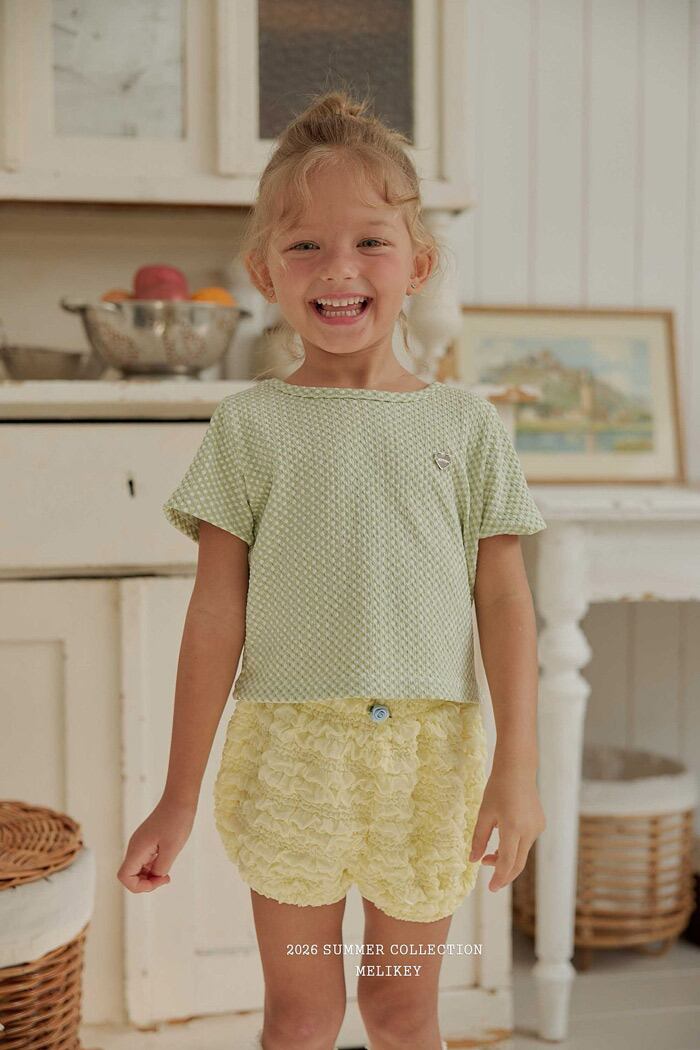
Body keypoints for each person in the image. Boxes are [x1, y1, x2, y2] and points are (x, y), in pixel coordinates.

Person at [117, 89, 547, 1050]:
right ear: (264, 271)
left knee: (401, 1010)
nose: (338, 268)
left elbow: (507, 600)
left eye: (370, 242)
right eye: (305, 244)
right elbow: (213, 615)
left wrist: (517, 770)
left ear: (418, 265)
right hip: (291, 759)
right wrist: (176, 798)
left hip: (429, 765)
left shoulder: (467, 425)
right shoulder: (250, 427)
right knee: (302, 1014)